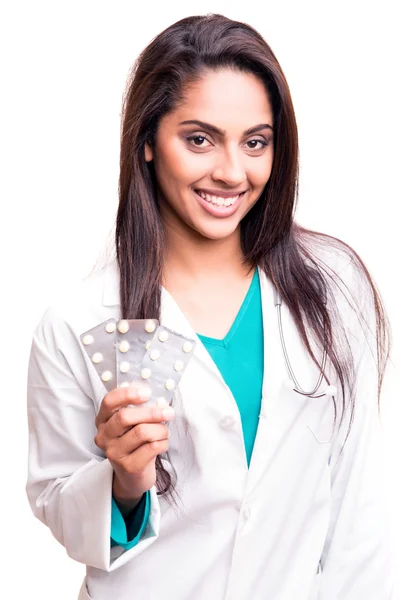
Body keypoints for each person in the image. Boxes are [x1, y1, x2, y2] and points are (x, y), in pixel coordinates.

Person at [26, 12, 395, 600]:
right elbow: (58, 508)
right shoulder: (76, 322)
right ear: (148, 142)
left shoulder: (332, 288)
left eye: (255, 142)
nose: (230, 172)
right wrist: (124, 484)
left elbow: (360, 512)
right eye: (199, 139)